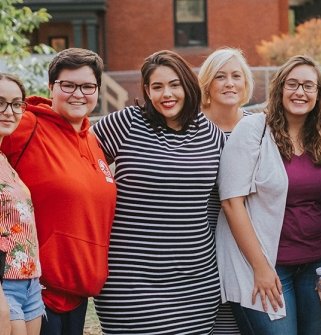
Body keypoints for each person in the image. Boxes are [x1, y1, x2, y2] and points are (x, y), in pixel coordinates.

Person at [93, 50, 225, 334]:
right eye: (157, 86)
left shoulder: (211, 135)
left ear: (188, 86)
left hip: (196, 280)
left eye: (174, 84)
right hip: (130, 279)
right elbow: (76, 159)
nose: (167, 93)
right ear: (146, 90)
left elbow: (229, 198)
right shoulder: (126, 123)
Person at [216, 55, 321, 335]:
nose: (300, 92)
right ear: (279, 89)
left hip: (316, 267)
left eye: (309, 86)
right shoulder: (253, 131)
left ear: (318, 94)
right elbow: (231, 201)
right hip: (267, 268)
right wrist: (260, 268)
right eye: (293, 84)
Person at [1, 48, 117, 335]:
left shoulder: (92, 140)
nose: (78, 93)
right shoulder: (26, 124)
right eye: (68, 85)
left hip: (78, 293)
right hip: (33, 290)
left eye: (88, 86)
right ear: (51, 87)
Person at [198, 47, 254, 335]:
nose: (230, 83)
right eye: (221, 77)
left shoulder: (259, 127)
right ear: (207, 84)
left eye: (236, 76)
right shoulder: (191, 126)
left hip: (247, 241)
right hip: (202, 241)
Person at [0, 73, 43, 335]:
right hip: (4, 284)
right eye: (0, 102)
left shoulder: (5, 159)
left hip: (29, 282)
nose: (9, 111)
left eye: (17, 104)